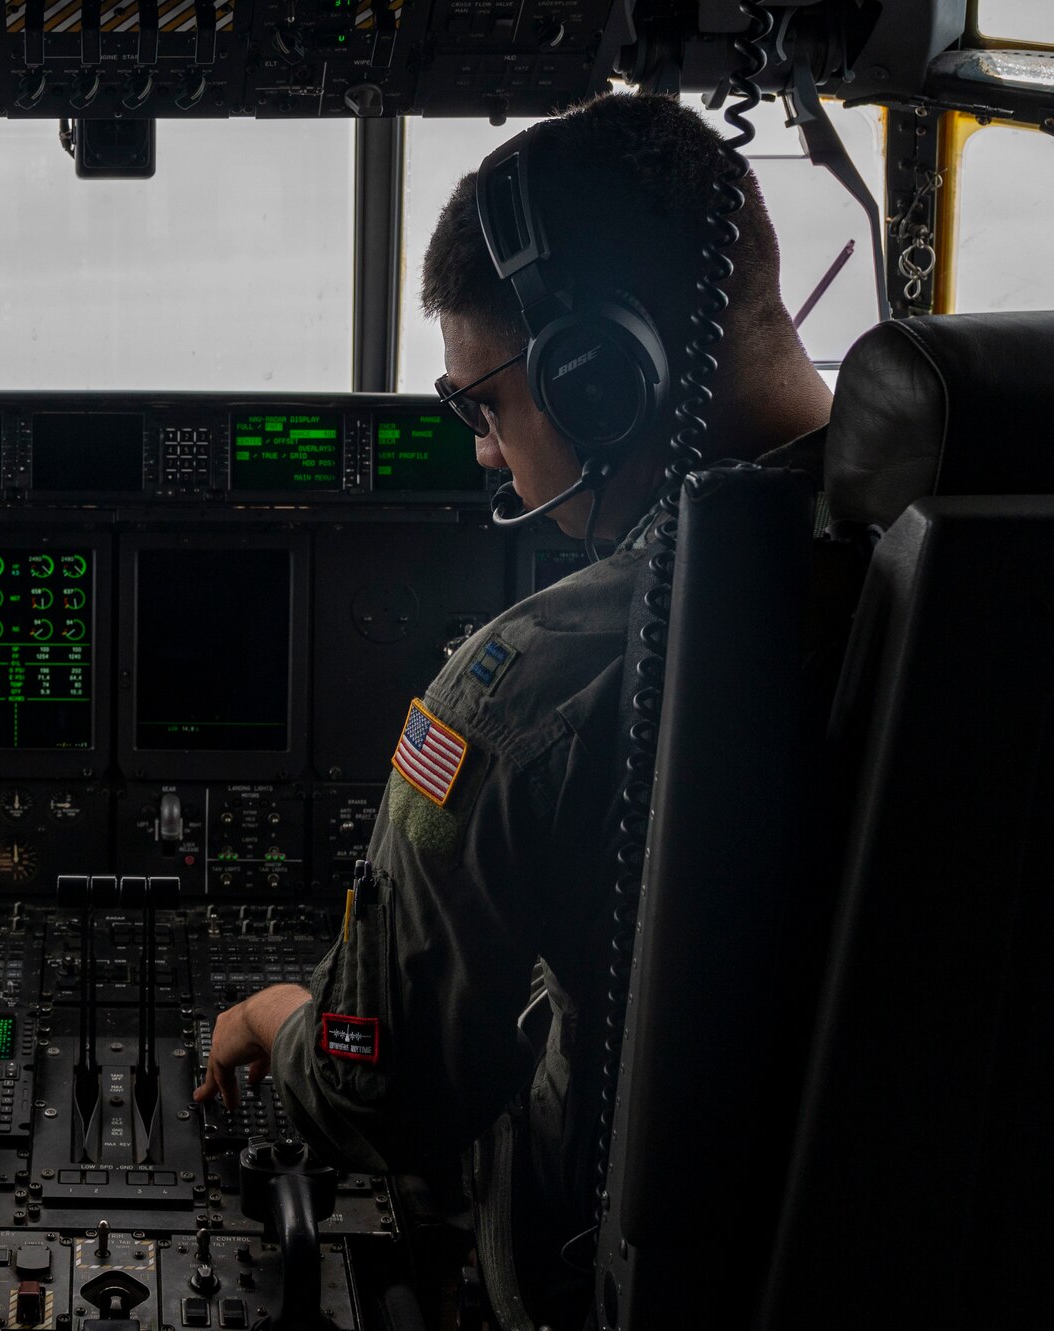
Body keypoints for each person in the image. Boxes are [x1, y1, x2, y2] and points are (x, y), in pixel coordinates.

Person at [196, 93, 834, 1310]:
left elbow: (375, 1092)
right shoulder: (973, 558)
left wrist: (287, 1017)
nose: (486, 452)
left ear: (600, 378)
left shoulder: (535, 677)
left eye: (484, 403)